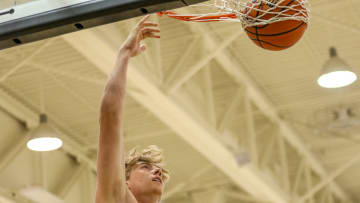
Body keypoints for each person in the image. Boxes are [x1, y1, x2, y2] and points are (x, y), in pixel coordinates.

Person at [96, 15, 170, 203]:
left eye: (154, 168)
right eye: (145, 167)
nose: (157, 171)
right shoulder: (117, 197)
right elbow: (110, 117)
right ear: (125, 181)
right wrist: (124, 54)